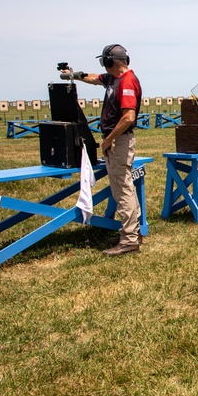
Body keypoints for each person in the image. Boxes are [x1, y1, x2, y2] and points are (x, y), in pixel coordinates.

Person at [62, 44, 143, 256]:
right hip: (117, 141)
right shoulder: (113, 79)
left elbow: (128, 118)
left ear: (111, 62)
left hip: (119, 142)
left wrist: (108, 140)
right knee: (124, 188)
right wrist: (74, 75)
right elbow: (93, 78)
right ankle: (131, 233)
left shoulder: (126, 82)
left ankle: (129, 240)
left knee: (122, 190)